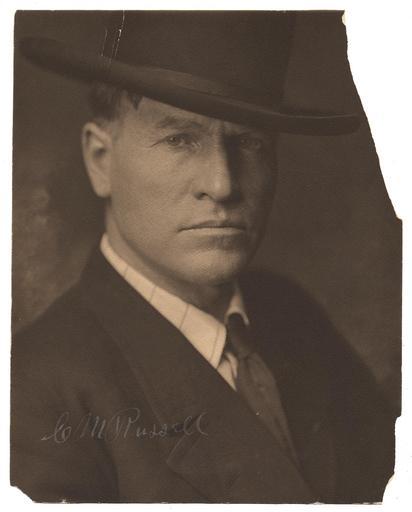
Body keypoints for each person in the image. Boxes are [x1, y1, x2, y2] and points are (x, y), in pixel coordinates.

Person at [11, 11, 396, 503]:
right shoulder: (33, 392)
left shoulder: (293, 316)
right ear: (100, 160)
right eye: (179, 139)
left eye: (249, 142)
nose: (223, 184)